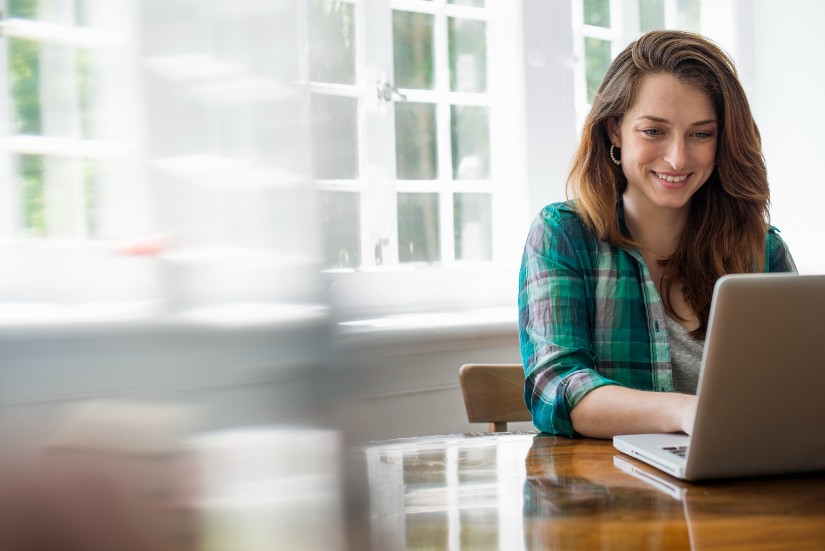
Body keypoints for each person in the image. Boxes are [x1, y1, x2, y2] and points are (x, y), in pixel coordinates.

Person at [518, 30, 796, 438]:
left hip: (742, 487)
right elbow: (556, 389)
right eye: (653, 131)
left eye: (701, 134)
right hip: (610, 491)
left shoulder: (762, 250)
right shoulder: (563, 235)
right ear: (614, 129)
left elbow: (798, 384)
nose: (678, 157)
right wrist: (686, 413)